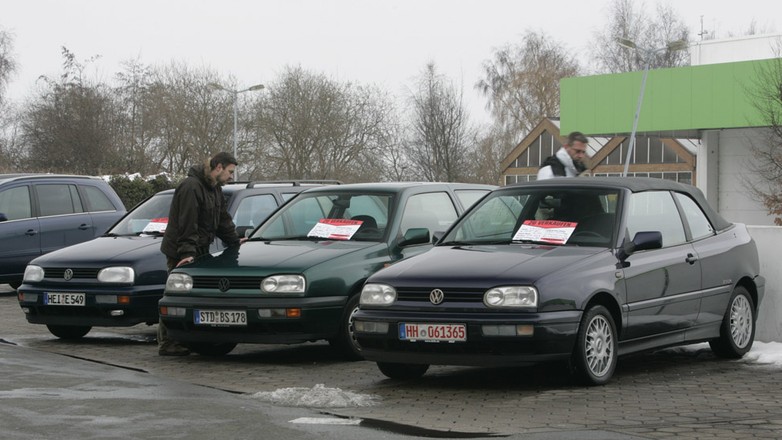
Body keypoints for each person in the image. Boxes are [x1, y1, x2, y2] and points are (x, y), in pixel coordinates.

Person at [157, 151, 243, 355]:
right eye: (230, 172)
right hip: (181, 250)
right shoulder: (191, 187)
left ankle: (190, 337)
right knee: (177, 294)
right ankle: (168, 341)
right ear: (219, 167)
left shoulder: (214, 188)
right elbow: (187, 222)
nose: (231, 177)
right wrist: (186, 253)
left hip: (200, 248)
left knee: (197, 294)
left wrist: (235, 241)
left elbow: (222, 219)